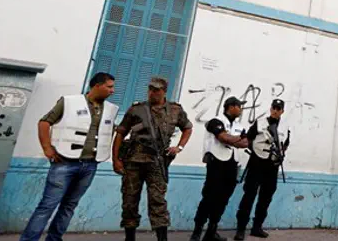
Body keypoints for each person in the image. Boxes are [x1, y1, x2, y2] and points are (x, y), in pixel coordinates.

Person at [20, 73, 119, 241]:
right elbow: (44, 122)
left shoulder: (111, 109)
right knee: (47, 205)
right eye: (109, 86)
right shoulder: (69, 102)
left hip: (90, 165)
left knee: (69, 206)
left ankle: (54, 238)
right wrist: (47, 148)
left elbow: (109, 130)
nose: (112, 90)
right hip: (64, 163)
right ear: (97, 85)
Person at [113, 77, 193, 241]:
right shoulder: (137, 109)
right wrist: (116, 159)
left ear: (164, 91)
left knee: (158, 202)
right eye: (150, 89)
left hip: (157, 163)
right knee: (129, 200)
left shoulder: (175, 110)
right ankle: (130, 237)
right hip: (133, 162)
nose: (152, 93)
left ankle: (162, 238)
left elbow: (188, 128)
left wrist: (179, 147)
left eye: (156, 90)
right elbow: (120, 132)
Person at [190, 97, 249, 241]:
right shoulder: (215, 121)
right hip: (216, 162)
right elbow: (222, 137)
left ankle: (211, 231)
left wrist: (234, 139)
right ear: (231, 107)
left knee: (223, 199)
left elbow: (245, 143)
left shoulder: (238, 126)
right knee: (209, 197)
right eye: (239, 106)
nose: (241, 110)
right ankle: (197, 231)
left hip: (232, 164)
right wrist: (236, 139)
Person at [235, 99, 289, 239]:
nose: (276, 110)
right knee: (249, 196)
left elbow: (285, 144)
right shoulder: (260, 123)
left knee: (266, 198)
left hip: (272, 167)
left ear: (282, 111)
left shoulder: (285, 127)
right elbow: (248, 140)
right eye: (274, 107)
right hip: (257, 164)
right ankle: (240, 229)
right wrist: (256, 150)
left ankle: (257, 227)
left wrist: (280, 154)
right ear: (271, 108)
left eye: (279, 108)